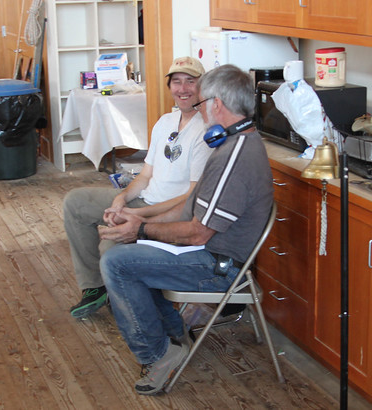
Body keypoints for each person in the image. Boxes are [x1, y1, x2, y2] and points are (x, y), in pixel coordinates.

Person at [97, 64, 274, 395]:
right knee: (126, 256)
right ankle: (174, 331)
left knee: (117, 263)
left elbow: (198, 234)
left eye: (202, 101)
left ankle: (159, 354)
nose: (199, 108)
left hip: (219, 266)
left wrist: (142, 229)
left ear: (216, 104)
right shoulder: (234, 144)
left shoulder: (234, 157)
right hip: (208, 252)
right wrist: (140, 222)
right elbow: (191, 208)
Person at [63, 57, 211, 318]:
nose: (183, 89)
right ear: (170, 87)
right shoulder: (165, 122)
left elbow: (190, 196)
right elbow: (145, 175)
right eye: (177, 82)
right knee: (76, 202)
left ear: (203, 87)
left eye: (191, 81)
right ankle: (95, 287)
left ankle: (130, 305)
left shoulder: (206, 131)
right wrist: (121, 200)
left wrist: (136, 216)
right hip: (143, 200)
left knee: (110, 247)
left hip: (169, 213)